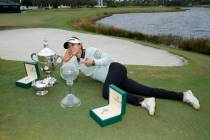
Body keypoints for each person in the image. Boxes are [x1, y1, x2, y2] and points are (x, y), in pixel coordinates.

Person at [62, 36, 200, 116]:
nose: (71, 47)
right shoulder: (76, 63)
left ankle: (143, 102)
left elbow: (109, 58)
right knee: (147, 90)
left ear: (80, 45)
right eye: (69, 46)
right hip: (115, 81)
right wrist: (66, 60)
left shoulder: (92, 51)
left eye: (73, 44)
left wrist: (94, 62)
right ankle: (184, 95)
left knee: (106, 92)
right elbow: (67, 75)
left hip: (116, 69)